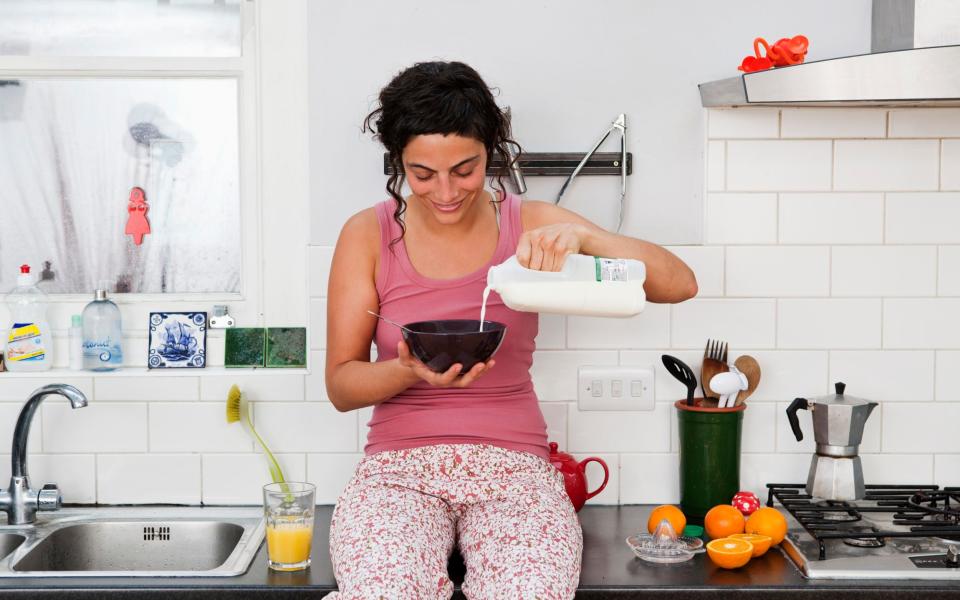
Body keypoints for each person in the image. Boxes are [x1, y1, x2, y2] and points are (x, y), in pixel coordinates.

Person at [324, 61, 698, 600]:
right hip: (396, 474)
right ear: (398, 162)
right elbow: (341, 385)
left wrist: (584, 237)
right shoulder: (368, 233)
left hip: (515, 470)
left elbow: (679, 284)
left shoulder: (532, 222)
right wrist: (407, 370)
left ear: (491, 151)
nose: (446, 191)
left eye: (465, 168)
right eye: (423, 173)